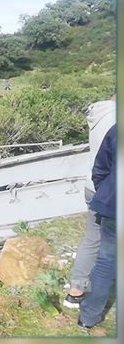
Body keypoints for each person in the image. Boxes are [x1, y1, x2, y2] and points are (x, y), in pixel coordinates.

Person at [63, 100, 116, 309]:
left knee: (92, 239)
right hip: (107, 189)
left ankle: (75, 292)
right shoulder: (115, 120)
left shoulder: (99, 113)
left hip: (93, 184)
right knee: (102, 244)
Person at [78, 123, 116, 329]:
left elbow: (100, 168)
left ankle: (87, 318)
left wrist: (107, 194)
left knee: (105, 262)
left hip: (114, 205)